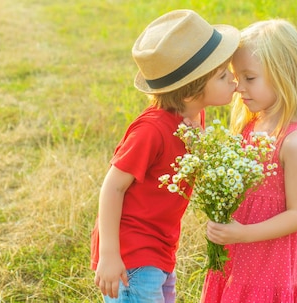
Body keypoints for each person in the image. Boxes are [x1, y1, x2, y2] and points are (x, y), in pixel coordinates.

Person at [90, 9, 240, 302]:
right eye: (223, 76)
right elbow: (112, 186)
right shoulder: (152, 131)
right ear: (190, 92)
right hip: (130, 256)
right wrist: (109, 255)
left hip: (160, 249)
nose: (233, 80)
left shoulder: (194, 116)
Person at [200, 19, 297, 303]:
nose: (239, 88)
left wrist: (243, 234)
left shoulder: (294, 142)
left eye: (249, 78)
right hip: (238, 257)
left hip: (272, 266)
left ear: (283, 75)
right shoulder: (249, 126)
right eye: (236, 78)